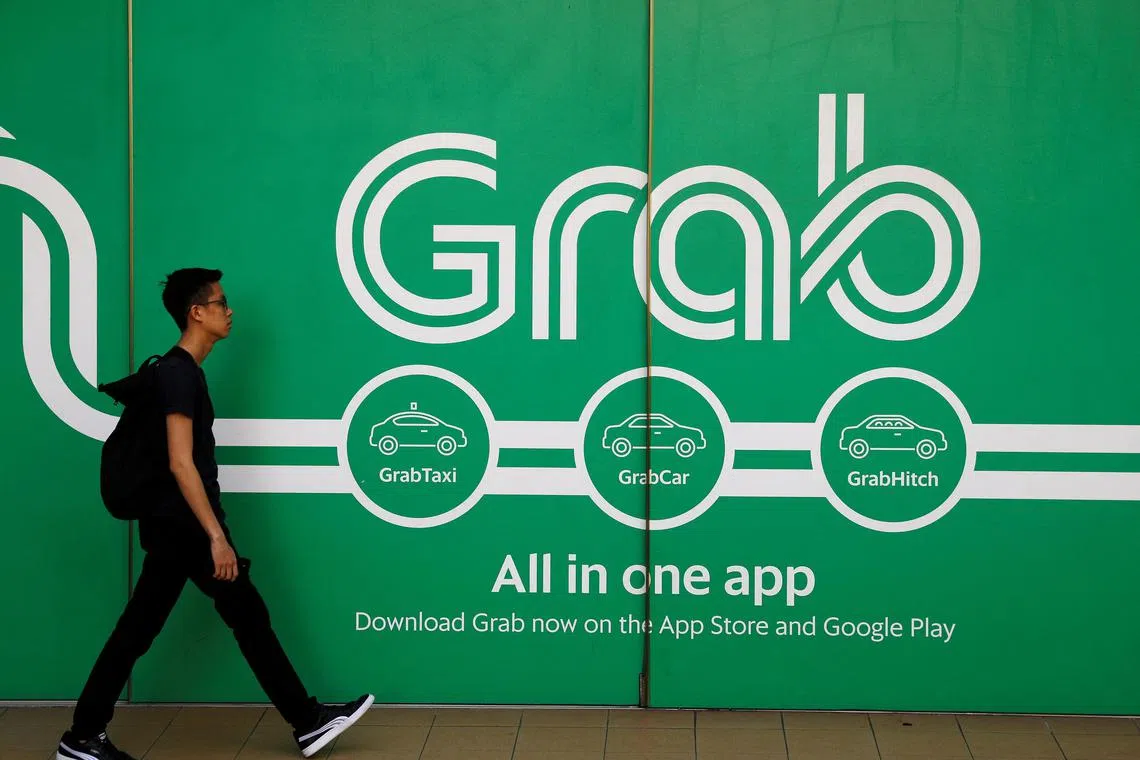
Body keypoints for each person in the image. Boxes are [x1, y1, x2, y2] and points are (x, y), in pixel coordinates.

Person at [57, 268, 373, 760]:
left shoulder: (179, 371)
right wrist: (216, 537)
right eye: (221, 303)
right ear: (196, 312)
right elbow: (181, 462)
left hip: (172, 527)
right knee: (241, 619)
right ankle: (307, 722)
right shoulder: (180, 374)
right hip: (185, 527)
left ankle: (82, 737)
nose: (230, 311)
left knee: (154, 628)